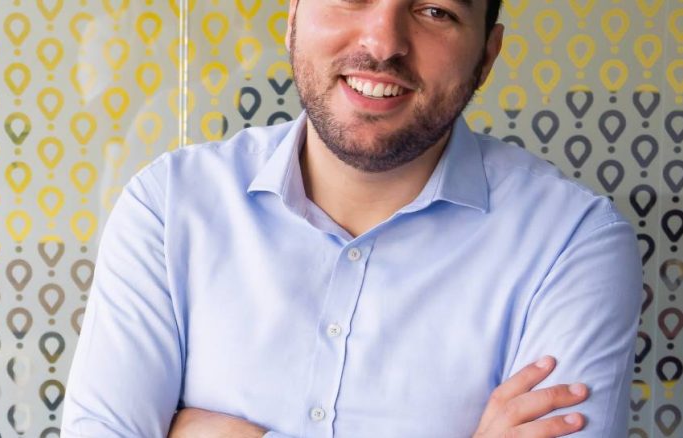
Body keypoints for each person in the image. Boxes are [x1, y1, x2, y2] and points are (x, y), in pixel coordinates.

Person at [62, 0, 642, 436]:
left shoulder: (573, 245)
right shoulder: (170, 205)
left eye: (435, 11)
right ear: (293, 14)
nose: (383, 42)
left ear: (486, 56)